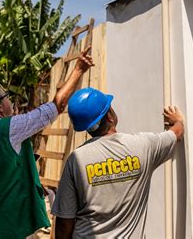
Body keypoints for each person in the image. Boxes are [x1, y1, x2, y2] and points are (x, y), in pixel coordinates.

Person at [0, 47, 94, 238]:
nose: (9, 100)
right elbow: (58, 105)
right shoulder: (9, 128)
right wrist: (79, 69)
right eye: (6, 97)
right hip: (3, 231)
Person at [51, 87, 185, 238]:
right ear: (109, 116)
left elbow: (64, 222)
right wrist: (177, 120)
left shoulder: (76, 160)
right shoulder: (143, 145)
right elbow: (177, 133)